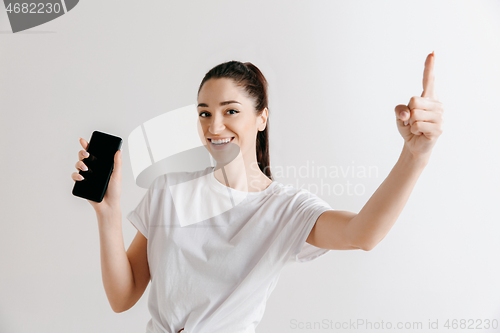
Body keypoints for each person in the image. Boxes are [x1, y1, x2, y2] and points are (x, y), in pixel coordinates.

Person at [71, 53, 444, 333]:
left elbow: (364, 233)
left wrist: (414, 156)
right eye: (204, 113)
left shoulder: (285, 209)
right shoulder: (169, 191)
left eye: (230, 111)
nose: (215, 125)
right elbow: (123, 297)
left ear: (261, 118)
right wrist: (109, 213)